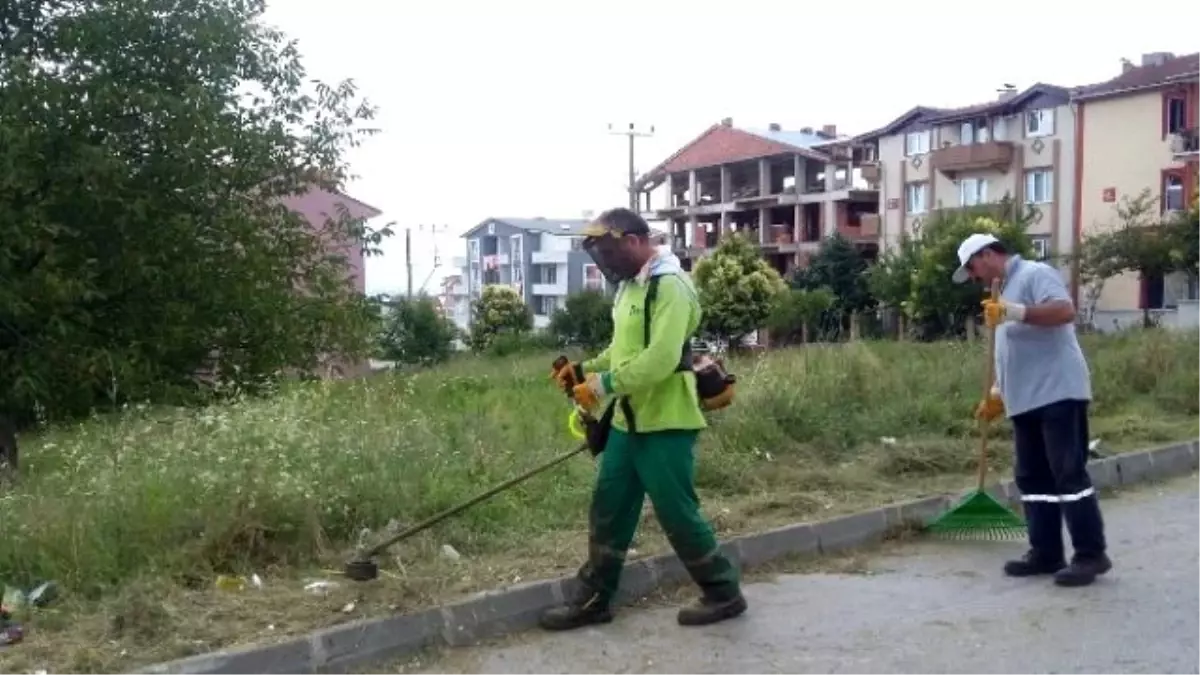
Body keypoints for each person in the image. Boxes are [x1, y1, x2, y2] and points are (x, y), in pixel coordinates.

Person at [543, 207, 746, 630]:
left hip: (667, 422)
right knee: (608, 508)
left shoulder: (671, 287)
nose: (607, 262)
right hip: (626, 423)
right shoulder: (629, 290)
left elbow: (660, 360)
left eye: (610, 251)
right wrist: (583, 370)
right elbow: (622, 354)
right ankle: (595, 598)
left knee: (677, 512)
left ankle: (723, 592)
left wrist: (601, 386)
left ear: (635, 241)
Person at [954, 232, 1112, 587]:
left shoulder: (1033, 274)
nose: (974, 275)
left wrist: (1015, 311)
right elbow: (1009, 351)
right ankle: (1046, 553)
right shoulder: (1001, 291)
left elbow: (1064, 310)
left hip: (1057, 392)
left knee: (1068, 473)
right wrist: (996, 393)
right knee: (1032, 478)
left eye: (973, 266)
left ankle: (1090, 555)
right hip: (1024, 400)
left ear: (989, 253)